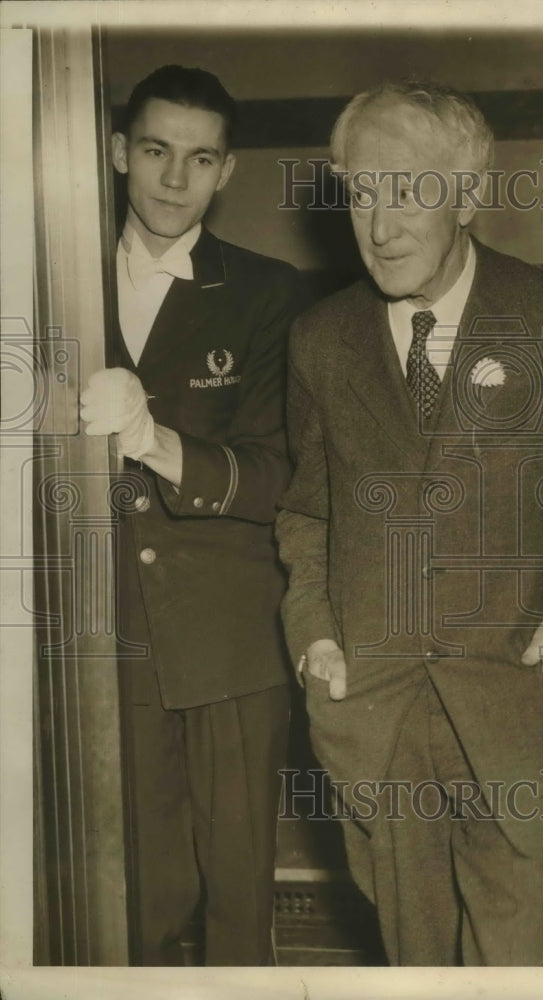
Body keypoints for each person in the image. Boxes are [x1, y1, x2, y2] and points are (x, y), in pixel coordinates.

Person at [275, 79, 543, 966]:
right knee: (411, 963)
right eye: (361, 193)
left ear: (467, 195)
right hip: (378, 724)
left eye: (409, 190)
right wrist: (314, 632)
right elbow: (308, 509)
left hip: (520, 715)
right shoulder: (320, 339)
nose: (380, 225)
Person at [79, 65, 303, 966]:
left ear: (228, 171)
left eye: (199, 158)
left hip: (229, 637)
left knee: (238, 899)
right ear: (117, 154)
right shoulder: (53, 279)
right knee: (134, 896)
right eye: (156, 151)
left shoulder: (267, 293)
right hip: (101, 638)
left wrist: (155, 439)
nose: (175, 179)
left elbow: (282, 477)